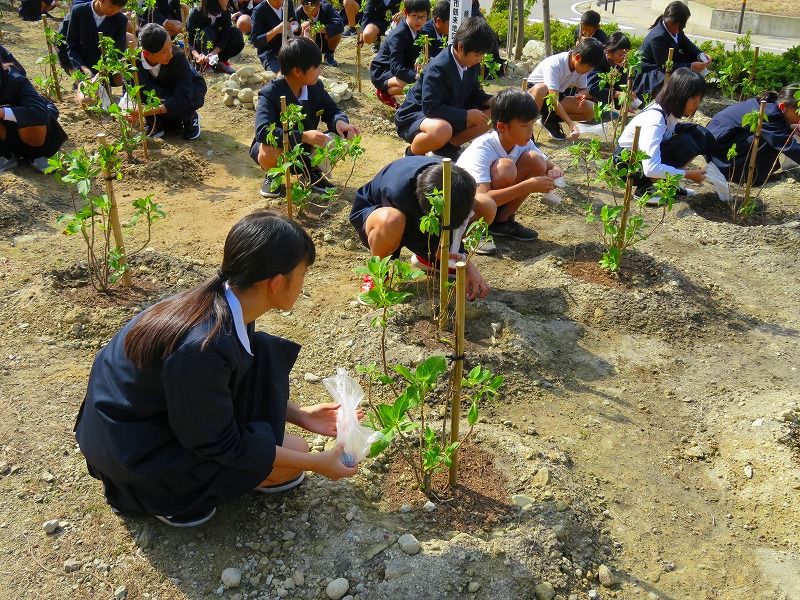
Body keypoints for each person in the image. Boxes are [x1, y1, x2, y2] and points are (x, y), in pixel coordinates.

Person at [74, 211, 359, 527]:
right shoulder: (202, 347)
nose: (304, 284)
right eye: (303, 274)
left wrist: (301, 414)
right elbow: (224, 443)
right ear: (277, 283)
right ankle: (163, 497)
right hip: (138, 457)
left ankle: (191, 482)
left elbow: (213, 389)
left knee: (262, 357)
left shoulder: (219, 301)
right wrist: (316, 463)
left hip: (138, 425)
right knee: (293, 458)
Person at [349, 156, 491, 302]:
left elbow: (457, 222)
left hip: (420, 213)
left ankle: (433, 260)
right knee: (391, 220)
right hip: (379, 213)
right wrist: (450, 256)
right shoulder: (398, 190)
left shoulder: (462, 184)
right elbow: (410, 234)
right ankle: (377, 274)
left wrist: (461, 258)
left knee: (487, 205)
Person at [250, 37, 360, 198]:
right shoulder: (270, 94)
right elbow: (263, 132)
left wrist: (340, 123)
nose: (320, 71)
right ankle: (273, 175)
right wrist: (303, 136)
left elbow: (332, 111)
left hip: (306, 149)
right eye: (316, 67)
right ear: (297, 71)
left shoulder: (315, 87)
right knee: (268, 148)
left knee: (341, 136)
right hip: (282, 150)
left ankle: (312, 172)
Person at [456, 87, 563, 243]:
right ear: (502, 127)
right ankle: (476, 230)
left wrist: (555, 171)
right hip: (467, 209)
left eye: (533, 124)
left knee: (536, 160)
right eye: (525, 126)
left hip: (490, 202)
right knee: (505, 168)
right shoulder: (483, 148)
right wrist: (529, 185)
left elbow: (549, 165)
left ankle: (502, 222)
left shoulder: (523, 142)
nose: (530, 131)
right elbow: (482, 199)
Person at [395, 16, 495, 160]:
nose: (479, 60)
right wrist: (466, 115)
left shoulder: (471, 64)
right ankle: (412, 154)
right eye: (477, 55)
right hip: (416, 116)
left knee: (492, 113)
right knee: (442, 129)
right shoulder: (439, 68)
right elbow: (431, 108)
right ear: (461, 47)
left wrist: (490, 101)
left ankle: (446, 148)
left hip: (448, 113)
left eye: (481, 56)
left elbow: (473, 92)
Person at [617, 67, 715, 204]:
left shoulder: (667, 112)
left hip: (638, 160)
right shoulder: (655, 120)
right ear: (679, 95)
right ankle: (647, 189)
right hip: (629, 165)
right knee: (687, 143)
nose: (696, 103)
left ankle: (668, 184)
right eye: (693, 98)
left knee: (699, 134)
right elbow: (651, 168)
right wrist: (687, 174)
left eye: (699, 98)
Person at [706, 84, 800, 186]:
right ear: (783, 106)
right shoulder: (770, 114)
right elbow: (786, 145)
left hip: (720, 143)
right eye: (798, 113)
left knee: (781, 133)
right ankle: (746, 176)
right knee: (772, 140)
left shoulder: (771, 104)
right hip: (720, 155)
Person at [127, 23, 206, 140]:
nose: (170, 54)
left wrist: (147, 111)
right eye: (164, 52)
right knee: (143, 90)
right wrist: (130, 111)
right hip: (162, 92)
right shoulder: (134, 64)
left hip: (186, 90)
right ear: (146, 54)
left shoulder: (177, 57)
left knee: (183, 102)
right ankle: (155, 123)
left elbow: (183, 97)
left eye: (170, 47)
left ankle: (190, 116)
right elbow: (132, 92)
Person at [527, 37, 604, 140]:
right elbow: (553, 98)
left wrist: (581, 94)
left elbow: (583, 89)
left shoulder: (580, 67)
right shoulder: (555, 64)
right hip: (535, 97)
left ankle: (549, 121)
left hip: (557, 96)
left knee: (591, 110)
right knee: (541, 88)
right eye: (588, 67)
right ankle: (528, 130)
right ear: (577, 57)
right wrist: (571, 124)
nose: (588, 71)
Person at [0, 60, 68, 173]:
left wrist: (2, 112)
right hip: (7, 135)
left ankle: (37, 154)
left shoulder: (16, 81)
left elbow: (41, 113)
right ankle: (5, 155)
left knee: (31, 116)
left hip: (35, 132)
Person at [59, 0, 130, 106]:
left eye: (118, 9)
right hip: (78, 62)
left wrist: (101, 73)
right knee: (87, 99)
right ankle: (79, 84)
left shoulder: (120, 20)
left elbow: (117, 53)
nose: (113, 11)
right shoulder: (79, 11)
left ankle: (102, 85)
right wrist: (85, 70)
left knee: (120, 79)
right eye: (111, 6)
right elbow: (71, 46)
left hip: (103, 68)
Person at [634, 1, 711, 99]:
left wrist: (701, 55)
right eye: (682, 24)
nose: (683, 27)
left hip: (666, 64)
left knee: (693, 59)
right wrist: (690, 66)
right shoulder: (657, 37)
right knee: (680, 74)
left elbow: (686, 43)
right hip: (650, 74)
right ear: (671, 22)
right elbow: (664, 65)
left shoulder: (674, 29)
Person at [369, 0, 430, 109]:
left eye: (423, 17)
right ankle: (384, 92)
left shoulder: (419, 31)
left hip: (401, 67)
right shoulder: (399, 35)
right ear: (406, 13)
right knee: (411, 86)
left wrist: (420, 59)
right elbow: (396, 67)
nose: (419, 21)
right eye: (415, 16)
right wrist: (416, 76)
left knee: (418, 82)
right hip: (383, 70)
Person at [186, 0, 245, 75]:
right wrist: (197, 55)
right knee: (206, 32)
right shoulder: (196, 13)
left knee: (236, 33)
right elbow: (189, 39)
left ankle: (220, 61)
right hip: (199, 49)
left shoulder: (225, 13)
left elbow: (225, 36)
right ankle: (204, 64)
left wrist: (213, 54)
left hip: (215, 47)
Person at [586, 32, 638, 110]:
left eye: (626, 55)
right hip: (583, 98)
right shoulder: (597, 59)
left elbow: (621, 85)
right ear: (608, 51)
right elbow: (593, 88)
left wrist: (625, 102)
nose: (624, 58)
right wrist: (618, 94)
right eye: (621, 55)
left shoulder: (620, 63)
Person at [250, 0, 298, 74]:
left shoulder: (288, 3)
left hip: (290, 49)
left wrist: (297, 27)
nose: (279, 3)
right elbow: (256, 41)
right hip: (270, 52)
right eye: (276, 1)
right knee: (280, 76)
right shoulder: (259, 10)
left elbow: (297, 28)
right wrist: (275, 31)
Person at [295, 0, 344, 68]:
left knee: (338, 33)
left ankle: (329, 56)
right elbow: (295, 33)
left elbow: (339, 25)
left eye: (311, 9)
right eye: (305, 9)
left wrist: (319, 29)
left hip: (324, 40)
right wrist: (301, 29)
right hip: (308, 41)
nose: (308, 12)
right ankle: (307, 57)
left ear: (319, 5)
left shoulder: (326, 8)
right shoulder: (299, 12)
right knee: (304, 27)